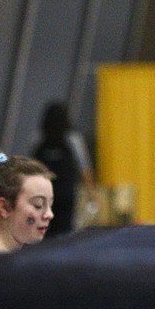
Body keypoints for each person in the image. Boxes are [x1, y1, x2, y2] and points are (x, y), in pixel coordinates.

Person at [32, 100, 94, 237]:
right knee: (65, 232)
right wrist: (91, 193)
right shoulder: (73, 139)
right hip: (66, 194)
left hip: (44, 195)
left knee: (44, 230)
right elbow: (84, 168)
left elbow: (32, 169)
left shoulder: (39, 139)